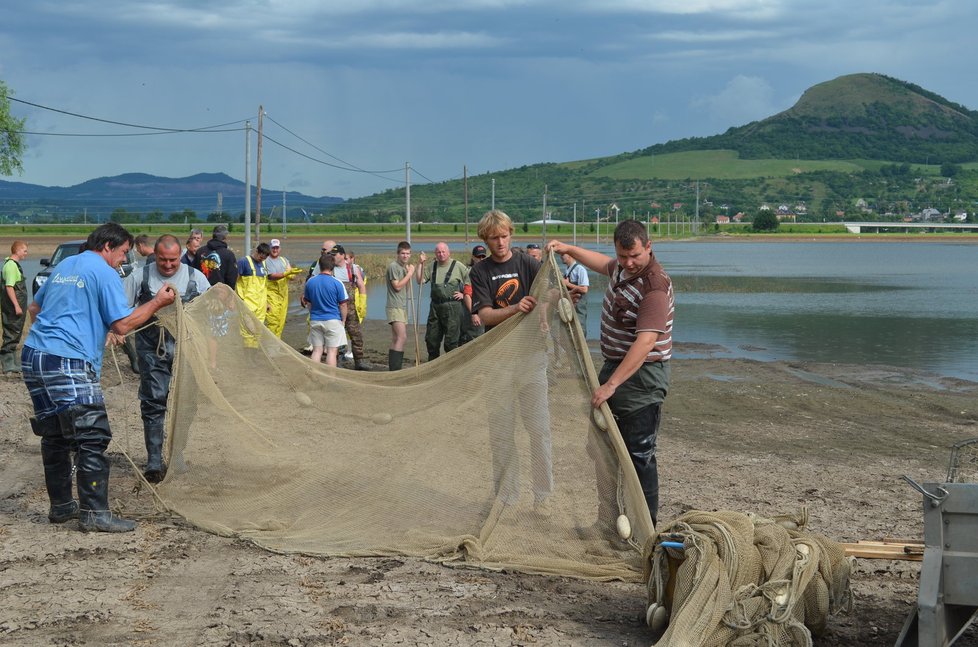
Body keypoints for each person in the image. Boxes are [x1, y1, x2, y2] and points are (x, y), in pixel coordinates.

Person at [22, 223, 176, 532]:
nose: (123, 260)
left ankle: (63, 507)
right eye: (122, 253)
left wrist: (68, 329)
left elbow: (35, 307)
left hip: (34, 355)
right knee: (91, 435)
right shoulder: (103, 272)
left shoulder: (67, 263)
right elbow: (122, 325)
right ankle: (95, 514)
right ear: (107, 246)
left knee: (55, 433)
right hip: (67, 360)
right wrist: (157, 302)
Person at [546, 219, 674, 525]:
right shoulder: (622, 267)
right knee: (602, 450)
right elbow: (604, 264)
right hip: (615, 367)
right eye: (623, 256)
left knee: (639, 455)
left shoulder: (654, 286)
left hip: (643, 376)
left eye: (635, 257)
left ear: (648, 248)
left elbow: (645, 343)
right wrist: (568, 249)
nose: (628, 263)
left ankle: (646, 528)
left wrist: (611, 385)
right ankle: (608, 522)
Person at [469, 210, 553, 513]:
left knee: (539, 430)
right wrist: (517, 308)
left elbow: (551, 290)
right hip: (499, 361)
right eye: (494, 238)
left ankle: (543, 496)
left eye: (505, 236)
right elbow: (486, 315)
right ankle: (506, 497)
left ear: (511, 234)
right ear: (485, 239)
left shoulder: (528, 263)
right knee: (502, 433)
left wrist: (555, 297)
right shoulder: (480, 272)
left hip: (532, 359)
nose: (501, 242)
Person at [122, 235, 209, 483]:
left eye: (173, 260)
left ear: (180, 255)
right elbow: (121, 311)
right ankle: (153, 459)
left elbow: (210, 313)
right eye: (163, 260)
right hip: (151, 349)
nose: (168, 265)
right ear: (155, 255)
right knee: (153, 401)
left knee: (185, 403)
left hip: (187, 349)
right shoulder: (140, 277)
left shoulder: (197, 278)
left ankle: (177, 455)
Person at [416, 242, 469, 361]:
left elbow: (471, 281)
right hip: (435, 307)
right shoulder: (430, 266)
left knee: (451, 342)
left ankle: (451, 367)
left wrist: (464, 294)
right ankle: (433, 366)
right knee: (431, 339)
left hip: (453, 308)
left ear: (449, 252)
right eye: (438, 252)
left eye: (443, 251)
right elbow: (420, 281)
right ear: (435, 254)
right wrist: (420, 263)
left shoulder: (458, 266)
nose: (441, 254)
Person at [301, 253, 348, 366]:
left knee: (317, 351)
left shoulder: (310, 282)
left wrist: (312, 314)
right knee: (332, 352)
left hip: (315, 320)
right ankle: (330, 378)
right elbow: (343, 305)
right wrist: (344, 320)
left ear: (319, 266)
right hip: (333, 320)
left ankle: (314, 375)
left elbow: (308, 302)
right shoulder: (337, 283)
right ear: (332, 267)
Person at [331, 244, 370, 370]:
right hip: (335, 309)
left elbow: (361, 286)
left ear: (342, 255)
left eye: (335, 255)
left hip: (351, 309)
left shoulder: (353, 268)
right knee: (335, 337)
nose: (333, 257)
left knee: (357, 336)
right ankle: (336, 362)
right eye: (331, 255)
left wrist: (363, 303)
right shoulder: (330, 269)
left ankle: (359, 362)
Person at [385, 241, 415, 370]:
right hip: (394, 306)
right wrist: (409, 274)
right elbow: (397, 286)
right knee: (402, 337)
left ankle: (393, 369)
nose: (405, 256)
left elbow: (406, 289)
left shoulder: (404, 268)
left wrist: (409, 274)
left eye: (407, 253)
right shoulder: (393, 266)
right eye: (403, 253)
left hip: (402, 306)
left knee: (397, 338)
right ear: (398, 254)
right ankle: (395, 370)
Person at [1, 240, 29, 374]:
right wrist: (17, 306)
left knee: (16, 332)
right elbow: (9, 287)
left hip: (15, 306)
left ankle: (13, 361)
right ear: (17, 251)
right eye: (25, 251)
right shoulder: (11, 266)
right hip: (13, 307)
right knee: (11, 332)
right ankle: (7, 363)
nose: (26, 254)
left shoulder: (13, 265)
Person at [236, 242, 270, 348]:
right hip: (247, 304)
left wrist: (267, 302)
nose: (261, 259)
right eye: (260, 257)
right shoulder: (243, 262)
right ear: (256, 251)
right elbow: (235, 280)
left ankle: (255, 353)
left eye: (264, 258)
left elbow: (264, 285)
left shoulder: (264, 264)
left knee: (258, 330)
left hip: (261, 305)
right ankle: (247, 354)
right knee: (247, 330)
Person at [264, 238, 293, 338]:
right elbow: (271, 276)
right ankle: (270, 345)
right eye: (273, 248)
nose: (275, 250)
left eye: (277, 248)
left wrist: (292, 274)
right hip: (271, 295)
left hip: (283, 295)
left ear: (279, 248)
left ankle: (277, 344)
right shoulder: (266, 261)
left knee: (281, 321)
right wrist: (286, 273)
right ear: (269, 248)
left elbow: (290, 272)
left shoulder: (284, 260)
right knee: (273, 321)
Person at [459, 244, 486, 345]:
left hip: (487, 313)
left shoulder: (489, 271)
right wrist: (474, 314)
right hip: (473, 314)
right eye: (478, 257)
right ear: (473, 258)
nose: (481, 259)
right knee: (472, 341)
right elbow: (467, 294)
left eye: (483, 256)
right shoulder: (471, 273)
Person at [561, 251, 590, 334]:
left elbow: (584, 289)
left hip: (579, 305)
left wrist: (568, 284)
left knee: (580, 327)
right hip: (569, 304)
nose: (561, 256)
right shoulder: (567, 270)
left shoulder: (580, 269)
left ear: (570, 255)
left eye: (563, 254)